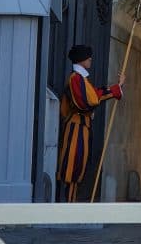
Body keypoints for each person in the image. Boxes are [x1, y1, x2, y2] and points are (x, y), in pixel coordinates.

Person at [57, 44, 124, 202]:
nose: (90, 60)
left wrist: (116, 88)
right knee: (73, 167)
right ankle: (69, 205)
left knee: (78, 166)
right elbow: (90, 100)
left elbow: (94, 95)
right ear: (82, 60)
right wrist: (114, 90)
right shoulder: (76, 79)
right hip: (76, 127)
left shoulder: (81, 79)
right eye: (88, 57)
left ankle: (71, 203)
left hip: (82, 126)